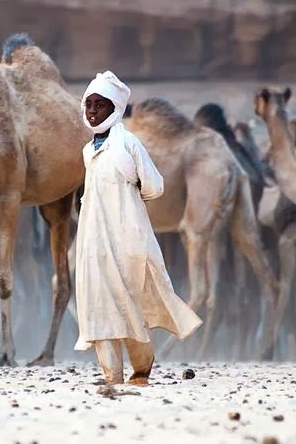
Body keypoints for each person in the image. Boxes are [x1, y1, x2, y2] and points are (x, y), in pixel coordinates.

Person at [74, 71, 203, 386]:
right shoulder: (88, 151)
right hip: (93, 236)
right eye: (88, 104)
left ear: (114, 108)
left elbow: (154, 186)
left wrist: (129, 202)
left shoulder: (128, 142)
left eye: (99, 105)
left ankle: (142, 368)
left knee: (130, 299)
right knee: (97, 298)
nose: (92, 111)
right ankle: (111, 375)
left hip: (128, 232)